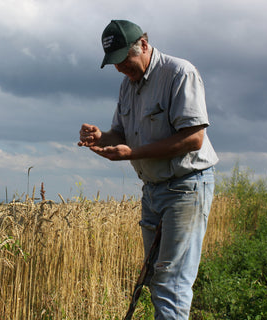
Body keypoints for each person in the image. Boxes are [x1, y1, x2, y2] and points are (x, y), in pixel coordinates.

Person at [78, 20, 219, 319]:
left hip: (186, 187)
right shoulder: (127, 85)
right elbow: (121, 134)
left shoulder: (179, 73)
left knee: (170, 282)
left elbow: (194, 138)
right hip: (152, 190)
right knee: (155, 277)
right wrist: (101, 137)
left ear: (143, 45)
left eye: (123, 60)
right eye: (114, 63)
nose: (120, 69)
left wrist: (134, 153)